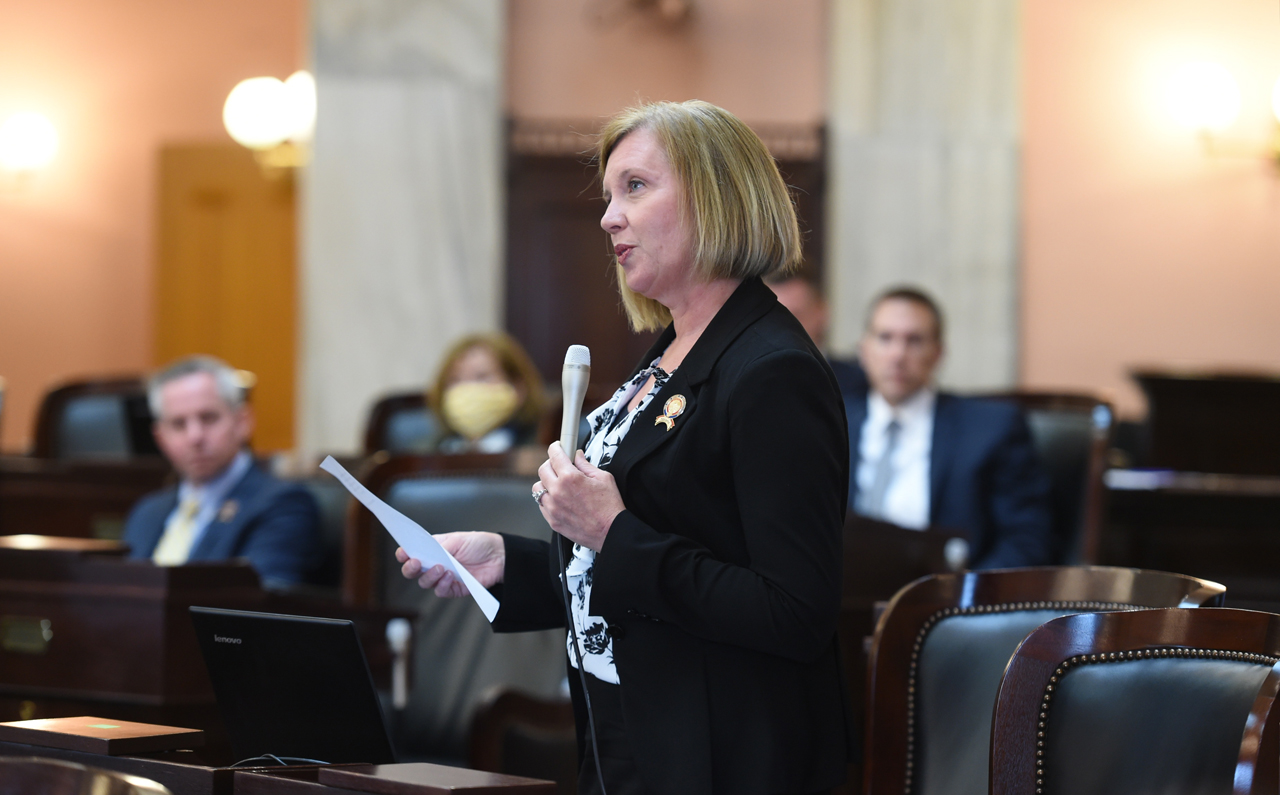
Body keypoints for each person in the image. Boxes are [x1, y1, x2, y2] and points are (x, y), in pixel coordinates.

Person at [399, 101, 852, 795]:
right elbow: (650, 558)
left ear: (714, 197)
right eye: (610, 195)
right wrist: (509, 563)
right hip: (629, 730)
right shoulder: (669, 351)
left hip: (723, 756)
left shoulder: (772, 369)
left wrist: (610, 527)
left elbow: (793, 610)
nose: (609, 216)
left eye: (635, 187)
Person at [848, 287, 1053, 569]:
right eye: (885, 338)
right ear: (863, 350)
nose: (898, 354)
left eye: (915, 340)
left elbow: (1027, 539)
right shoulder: (830, 425)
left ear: (938, 353)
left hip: (946, 599)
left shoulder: (991, 429)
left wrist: (964, 603)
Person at [122, 355, 320, 586]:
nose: (195, 437)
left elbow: (257, 606)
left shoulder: (283, 505)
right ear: (161, 438)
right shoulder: (146, 512)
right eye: (178, 424)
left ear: (242, 422)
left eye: (209, 418)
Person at [425, 332, 545, 453]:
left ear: (518, 388)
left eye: (482, 377)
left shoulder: (544, 449)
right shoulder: (427, 453)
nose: (467, 388)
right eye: (455, 379)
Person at [766, 273, 867, 398]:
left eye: (793, 316)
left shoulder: (863, 385)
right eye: (771, 318)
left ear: (821, 312)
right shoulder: (748, 384)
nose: (781, 328)